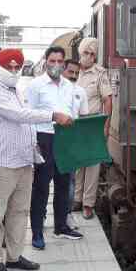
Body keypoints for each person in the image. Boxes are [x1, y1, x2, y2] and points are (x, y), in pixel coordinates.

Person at [0, 48, 73, 271]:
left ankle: (14, 255)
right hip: (3, 163)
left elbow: (25, 120)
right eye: (9, 67)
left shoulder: (17, 91)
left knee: (19, 211)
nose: (13, 71)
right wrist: (53, 115)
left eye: (16, 67)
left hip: (24, 162)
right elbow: (21, 115)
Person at [25, 46, 83, 250]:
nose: (56, 65)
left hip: (65, 138)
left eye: (60, 61)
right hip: (44, 138)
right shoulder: (35, 85)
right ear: (45, 61)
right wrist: (32, 145)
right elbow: (28, 115)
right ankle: (37, 232)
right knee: (41, 188)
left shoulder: (70, 86)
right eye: (52, 61)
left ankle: (61, 227)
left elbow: (73, 111)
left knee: (63, 184)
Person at [73, 38, 113, 220]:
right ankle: (77, 199)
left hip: (93, 122)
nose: (89, 57)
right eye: (85, 53)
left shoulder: (100, 73)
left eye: (92, 54)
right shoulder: (72, 71)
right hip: (73, 123)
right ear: (79, 53)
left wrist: (106, 126)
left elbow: (107, 100)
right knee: (78, 163)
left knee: (93, 165)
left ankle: (88, 204)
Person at [61, 59, 89, 230]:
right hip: (52, 139)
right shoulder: (53, 89)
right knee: (43, 182)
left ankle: (67, 215)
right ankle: (40, 216)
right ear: (62, 71)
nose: (73, 76)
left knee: (70, 182)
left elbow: (84, 118)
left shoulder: (81, 92)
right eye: (70, 72)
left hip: (71, 142)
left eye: (76, 73)